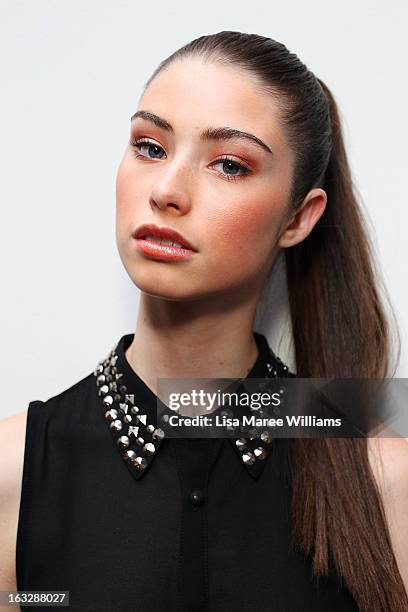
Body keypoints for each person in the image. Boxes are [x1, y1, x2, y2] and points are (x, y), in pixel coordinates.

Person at [1, 30, 408, 612]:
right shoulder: (13, 471)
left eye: (228, 164)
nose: (166, 190)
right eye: (150, 146)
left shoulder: (384, 478)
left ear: (299, 217)